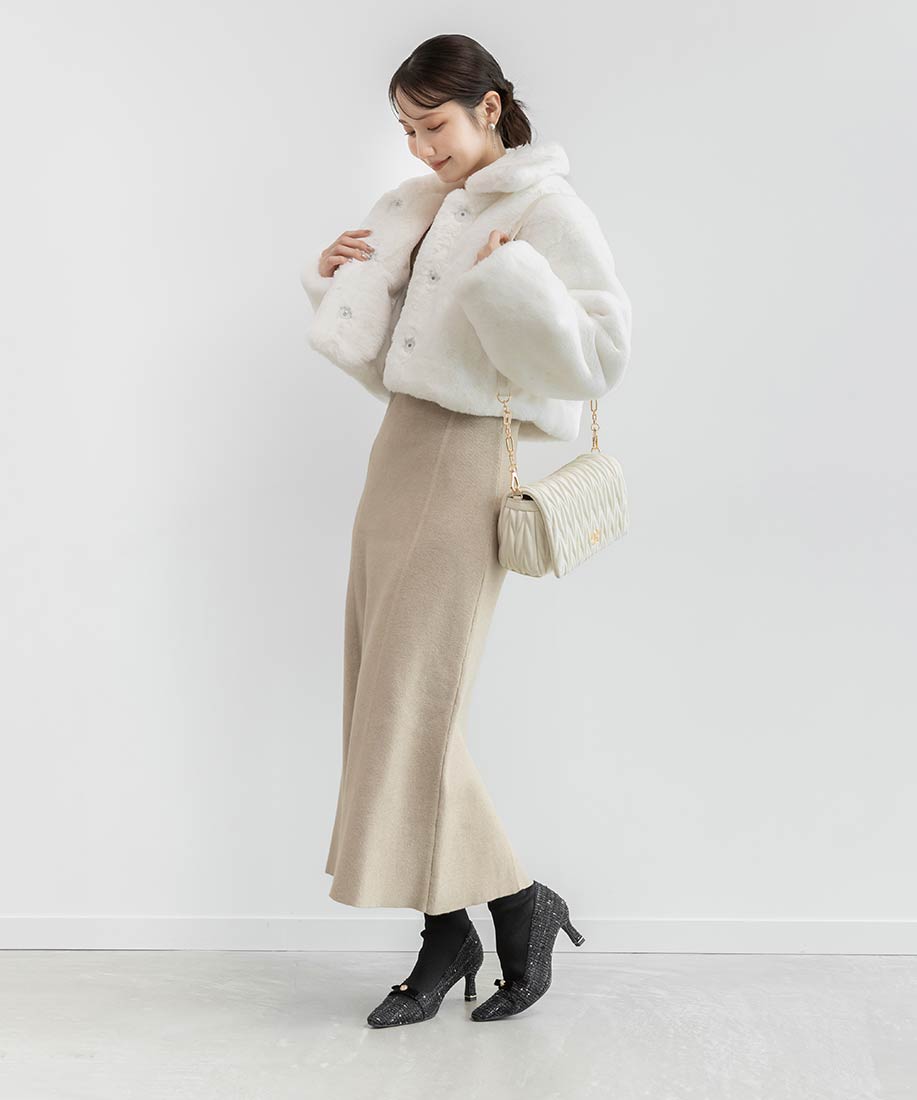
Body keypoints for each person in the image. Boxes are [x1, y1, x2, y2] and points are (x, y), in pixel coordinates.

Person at [301, 33, 632, 1027]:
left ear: (490, 107)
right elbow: (404, 352)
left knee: (415, 705)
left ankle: (510, 906)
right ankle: (452, 925)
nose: (419, 148)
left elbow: (597, 355)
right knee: (380, 698)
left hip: (469, 459)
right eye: (405, 130)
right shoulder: (420, 203)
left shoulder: (544, 208)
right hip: (400, 447)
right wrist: (340, 282)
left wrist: (513, 283)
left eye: (433, 125)